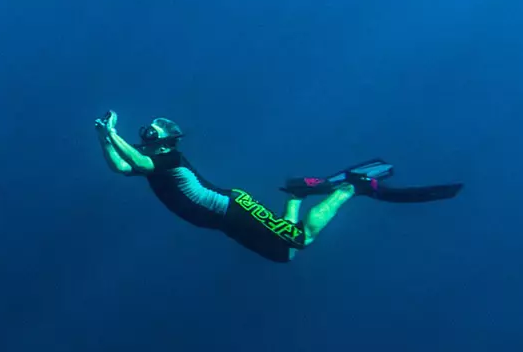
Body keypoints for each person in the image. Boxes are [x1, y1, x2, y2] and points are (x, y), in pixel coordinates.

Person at [94, 112, 461, 264]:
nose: (147, 135)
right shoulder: (153, 162)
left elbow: (139, 163)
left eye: (153, 132)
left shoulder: (168, 160)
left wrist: (113, 132)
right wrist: (103, 138)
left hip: (232, 208)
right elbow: (122, 167)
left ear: (168, 140)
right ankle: (299, 197)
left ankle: (352, 190)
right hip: (226, 223)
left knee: (300, 240)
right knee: (287, 255)